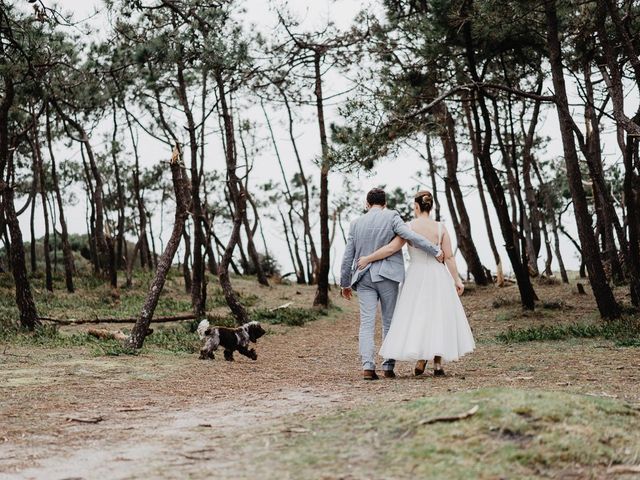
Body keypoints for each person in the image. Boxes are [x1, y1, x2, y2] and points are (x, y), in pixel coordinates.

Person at [357, 190, 475, 377]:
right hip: (438, 275)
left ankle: (422, 357)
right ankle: (437, 364)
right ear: (431, 206)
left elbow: (391, 248)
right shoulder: (440, 228)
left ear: (417, 206)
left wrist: (368, 259)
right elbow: (449, 257)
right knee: (439, 316)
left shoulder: (409, 226)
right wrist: (457, 280)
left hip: (417, 276)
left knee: (420, 316)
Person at [340, 188, 444, 380]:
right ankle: (388, 366)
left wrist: (345, 283)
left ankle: (368, 367)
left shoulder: (356, 224)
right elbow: (411, 236)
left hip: (363, 277)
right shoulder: (392, 217)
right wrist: (434, 250)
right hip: (387, 276)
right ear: (385, 203)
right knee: (389, 321)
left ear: (367, 204)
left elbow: (348, 256)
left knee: (367, 323)